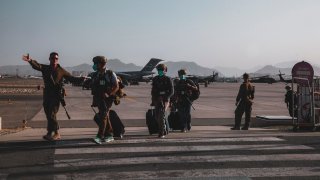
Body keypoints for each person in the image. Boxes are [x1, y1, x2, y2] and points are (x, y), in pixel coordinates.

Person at [22, 52, 85, 141]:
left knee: (52, 114)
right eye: (52, 58)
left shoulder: (61, 70)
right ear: (49, 59)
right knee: (48, 114)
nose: (54, 60)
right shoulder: (46, 68)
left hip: (56, 95)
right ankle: (49, 132)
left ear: (57, 59)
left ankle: (56, 133)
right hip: (47, 94)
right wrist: (30, 60)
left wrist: (82, 79)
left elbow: (71, 78)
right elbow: (37, 66)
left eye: (56, 58)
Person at [91, 56, 119, 144]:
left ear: (101, 64)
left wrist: (108, 94)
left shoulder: (110, 74)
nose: (94, 65)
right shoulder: (96, 74)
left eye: (95, 63)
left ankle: (100, 136)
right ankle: (109, 135)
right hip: (99, 98)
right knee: (105, 116)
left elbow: (116, 86)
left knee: (103, 115)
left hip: (108, 99)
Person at [151, 64, 174, 138]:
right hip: (157, 98)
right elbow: (153, 90)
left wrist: (166, 97)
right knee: (157, 116)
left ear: (165, 71)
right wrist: (154, 98)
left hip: (165, 99)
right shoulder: (155, 79)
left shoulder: (168, 79)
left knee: (162, 114)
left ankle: (161, 132)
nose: (160, 72)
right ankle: (166, 129)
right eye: (159, 70)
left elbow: (171, 91)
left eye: (162, 70)